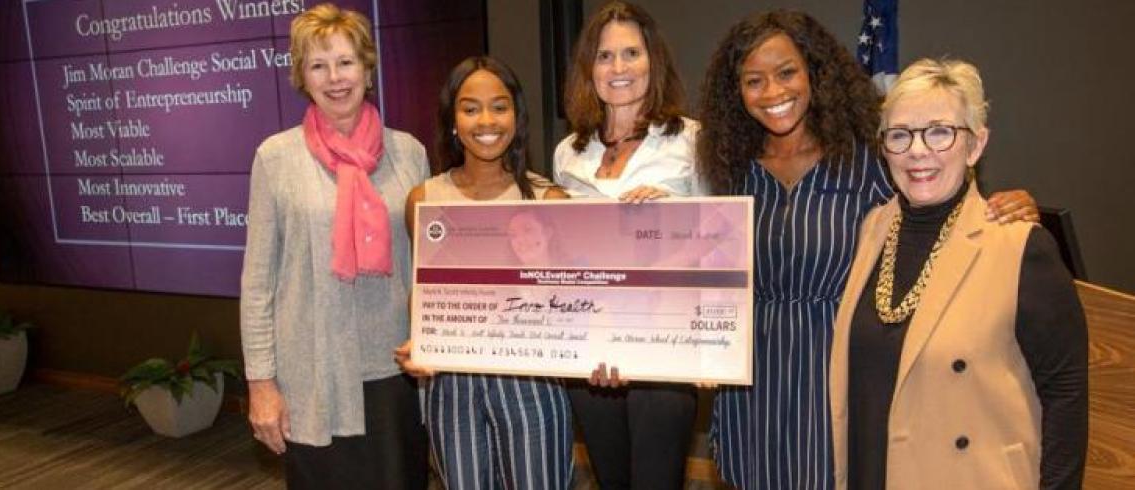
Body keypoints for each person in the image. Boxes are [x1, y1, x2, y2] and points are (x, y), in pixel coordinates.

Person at [696, 10, 1039, 490]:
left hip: (839, 369)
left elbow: (937, 209)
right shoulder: (732, 168)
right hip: (754, 378)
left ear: (815, 72)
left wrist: (1004, 206)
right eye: (754, 80)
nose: (773, 92)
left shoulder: (868, 161)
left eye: (787, 72)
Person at [828, 58, 1087, 490]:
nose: (917, 150)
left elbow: (1066, 392)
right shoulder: (873, 228)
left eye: (939, 131)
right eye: (899, 134)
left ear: (976, 145)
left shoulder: (1021, 246)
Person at [239, 4, 428, 488]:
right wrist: (261, 384)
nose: (335, 78)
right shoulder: (276, 158)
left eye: (345, 62)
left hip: (396, 370)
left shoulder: (409, 153)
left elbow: (426, 269)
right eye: (318, 65)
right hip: (312, 376)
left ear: (367, 68)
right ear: (302, 77)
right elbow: (258, 284)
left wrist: (431, 337)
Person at [395, 56, 574, 490]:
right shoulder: (424, 199)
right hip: (451, 385)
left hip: (531, 381)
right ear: (452, 120)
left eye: (499, 106)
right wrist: (421, 339)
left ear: (516, 115)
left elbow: (572, 307)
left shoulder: (550, 201)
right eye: (470, 108)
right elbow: (424, 289)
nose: (486, 121)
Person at [551, 2, 701, 488]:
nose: (619, 67)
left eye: (631, 53)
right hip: (589, 354)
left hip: (664, 348)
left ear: (653, 60)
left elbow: (720, 240)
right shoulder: (569, 152)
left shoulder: (691, 140)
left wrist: (673, 216)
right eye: (605, 56)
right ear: (588, 68)